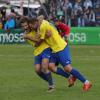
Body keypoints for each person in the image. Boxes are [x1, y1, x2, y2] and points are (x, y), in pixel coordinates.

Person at [31, 18, 92, 91]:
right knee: (51, 66)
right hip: (54, 49)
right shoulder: (43, 23)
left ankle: (86, 82)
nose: (31, 27)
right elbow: (41, 18)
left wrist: (29, 37)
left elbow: (39, 41)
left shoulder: (43, 26)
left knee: (67, 68)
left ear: (36, 22)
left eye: (32, 25)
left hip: (61, 47)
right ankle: (70, 76)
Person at [21, 18, 54, 92]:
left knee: (45, 67)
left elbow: (40, 18)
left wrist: (38, 31)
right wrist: (30, 37)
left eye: (26, 25)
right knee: (37, 70)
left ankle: (51, 86)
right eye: (23, 26)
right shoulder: (25, 35)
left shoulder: (34, 28)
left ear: (29, 24)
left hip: (45, 48)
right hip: (37, 51)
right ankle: (50, 81)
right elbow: (36, 44)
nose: (25, 27)